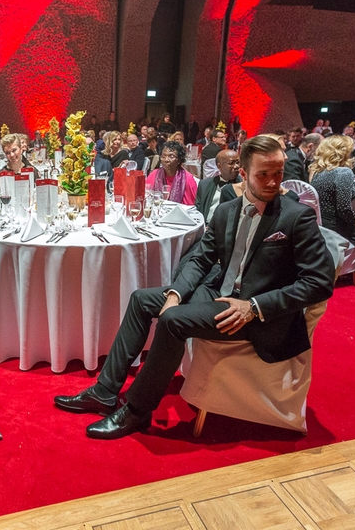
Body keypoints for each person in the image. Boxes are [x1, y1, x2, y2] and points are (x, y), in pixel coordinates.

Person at [54, 136, 334, 439]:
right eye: (263, 174)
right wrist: (175, 294)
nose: (272, 182)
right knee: (141, 299)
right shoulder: (227, 211)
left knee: (173, 320)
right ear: (243, 173)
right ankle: (105, 392)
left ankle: (137, 410)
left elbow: (319, 282)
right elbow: (201, 259)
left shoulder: (296, 216)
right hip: (219, 294)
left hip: (258, 315)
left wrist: (254, 307)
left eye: (278, 173)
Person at [309, 135, 355, 274]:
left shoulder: (318, 171)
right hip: (334, 226)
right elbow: (343, 208)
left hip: (319, 223)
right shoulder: (343, 172)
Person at [195, 149, 240, 223]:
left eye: (238, 162)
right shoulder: (204, 185)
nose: (236, 166)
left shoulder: (242, 186)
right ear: (219, 166)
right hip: (206, 225)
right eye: (231, 163)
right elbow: (198, 210)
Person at [146, 141, 197, 206]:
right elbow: (147, 197)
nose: (166, 160)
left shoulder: (187, 179)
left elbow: (191, 206)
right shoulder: (154, 174)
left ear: (179, 160)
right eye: (163, 156)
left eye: (171, 156)